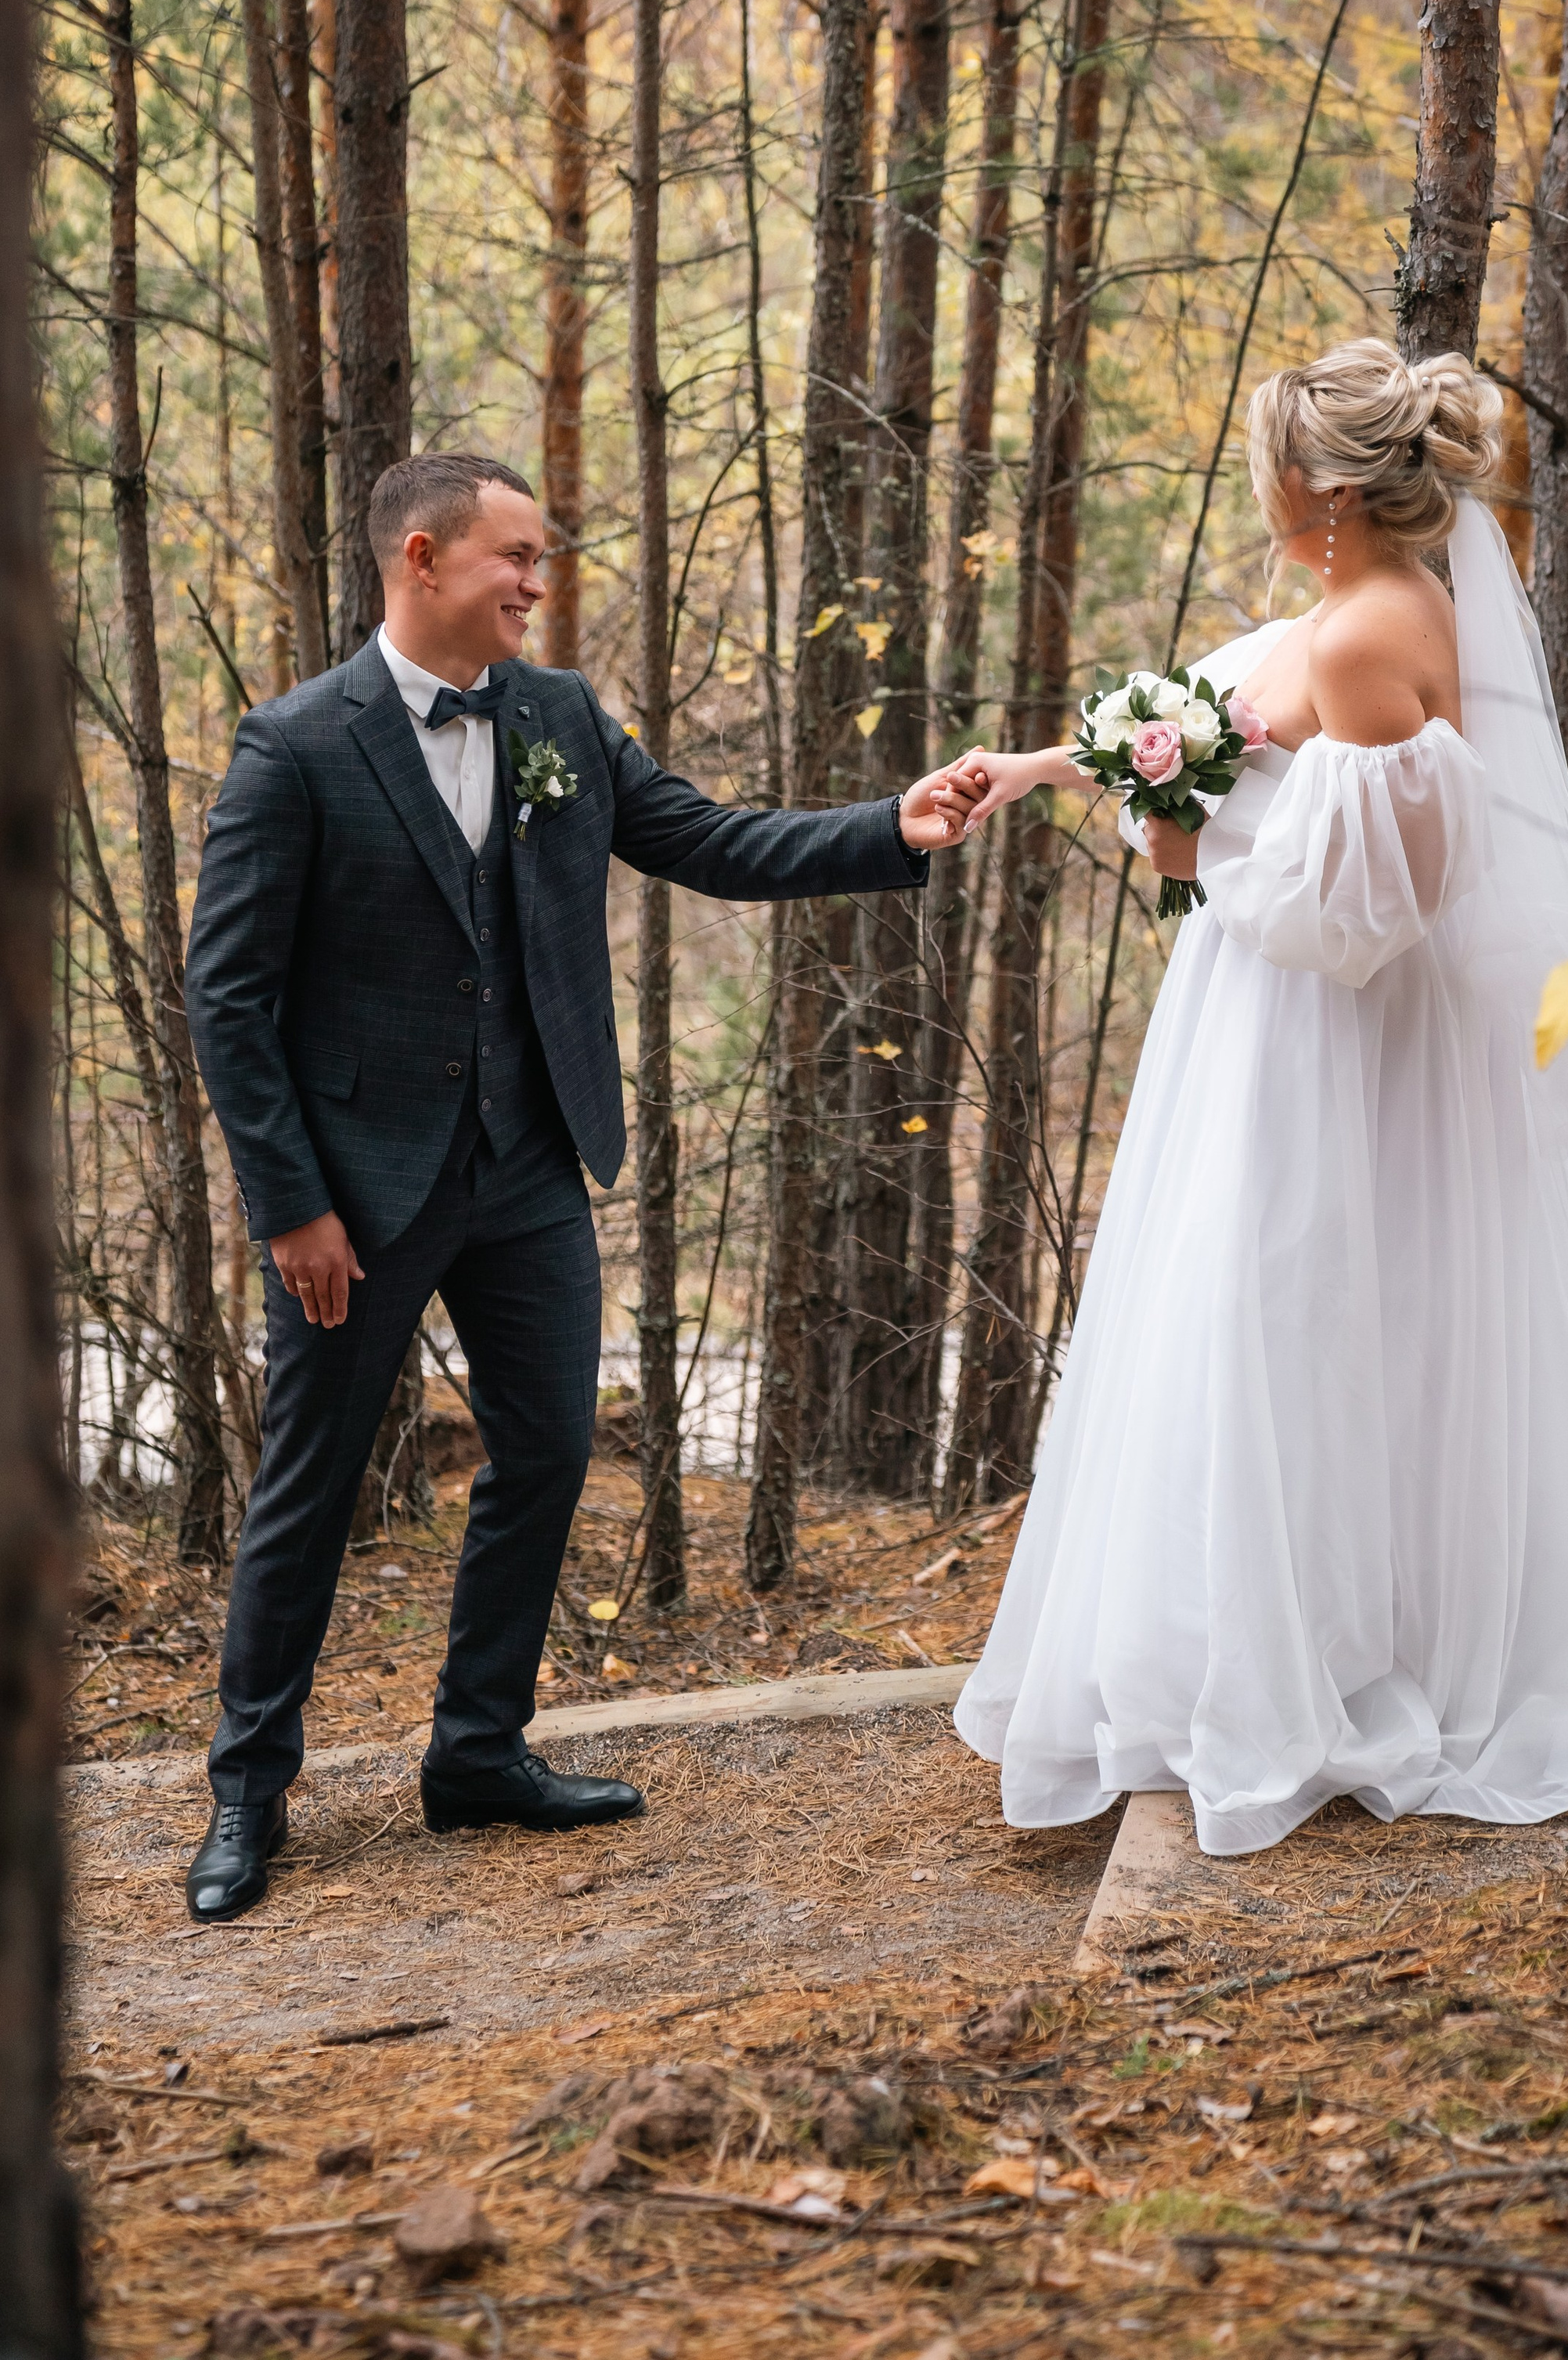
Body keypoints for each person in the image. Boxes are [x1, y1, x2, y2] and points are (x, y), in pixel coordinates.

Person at [182, 451, 983, 1922]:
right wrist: (290, 1206)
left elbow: (710, 841)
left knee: (548, 1453)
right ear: (422, 559)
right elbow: (226, 999)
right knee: (308, 1487)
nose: (538, 587)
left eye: (542, 560)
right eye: (517, 559)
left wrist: (894, 826)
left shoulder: (557, 717)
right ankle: (249, 1791)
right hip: (356, 1197)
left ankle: (477, 1753)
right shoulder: (295, 746)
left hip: (534, 1166)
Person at [949, 342, 1568, 1853]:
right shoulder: (1342, 612)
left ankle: (1322, 1672)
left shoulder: (1378, 635)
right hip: (1269, 1020)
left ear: (1312, 486)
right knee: (1250, 1321)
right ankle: (1239, 1652)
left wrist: (1194, 863)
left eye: (1265, 460)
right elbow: (1212, 731)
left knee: (1296, 1317)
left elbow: (1383, 907)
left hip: (1336, 1043)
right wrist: (1047, 766)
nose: (1257, 480)